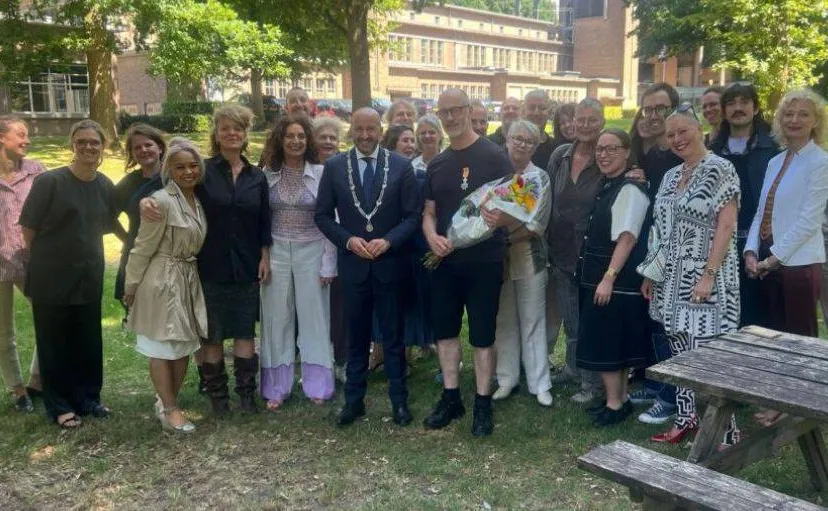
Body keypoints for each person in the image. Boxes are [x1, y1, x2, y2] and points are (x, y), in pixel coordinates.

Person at [141, 104, 271, 415]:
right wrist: (145, 200)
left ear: (245, 134)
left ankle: (246, 395)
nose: (232, 133)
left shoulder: (257, 176)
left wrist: (265, 255)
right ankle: (218, 399)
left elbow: (264, 220)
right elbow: (167, 187)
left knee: (243, 331)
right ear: (216, 133)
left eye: (238, 128)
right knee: (211, 334)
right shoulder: (202, 170)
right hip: (208, 265)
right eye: (226, 127)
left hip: (246, 264)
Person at [639, 107, 741, 445]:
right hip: (671, 279)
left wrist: (709, 274)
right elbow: (660, 229)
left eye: (684, 131)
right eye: (671, 135)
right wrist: (652, 273)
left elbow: (726, 226)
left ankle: (727, 431)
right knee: (680, 351)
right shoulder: (670, 176)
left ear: (700, 130)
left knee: (709, 356)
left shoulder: (720, 169)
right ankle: (687, 418)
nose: (677, 139)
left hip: (705, 277)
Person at [315, 107, 420, 427]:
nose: (364, 135)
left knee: (392, 336)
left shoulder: (401, 167)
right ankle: (354, 401)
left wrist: (388, 241)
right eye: (359, 129)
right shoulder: (335, 166)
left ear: (380, 129)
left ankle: (399, 401)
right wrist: (347, 241)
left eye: (371, 129)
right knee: (356, 335)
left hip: (389, 264)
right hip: (354, 264)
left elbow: (413, 216)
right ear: (352, 130)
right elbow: (321, 215)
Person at [422, 88, 513, 437]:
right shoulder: (438, 163)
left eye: (456, 110)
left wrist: (499, 219)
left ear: (470, 110)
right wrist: (431, 236)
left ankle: (482, 403)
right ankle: (451, 397)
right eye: (444, 112)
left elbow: (515, 208)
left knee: (481, 335)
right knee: (445, 332)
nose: (450, 117)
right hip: (445, 262)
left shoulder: (495, 157)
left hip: (484, 261)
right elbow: (428, 213)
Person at [20, 119, 116, 429]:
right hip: (52, 274)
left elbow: (109, 223)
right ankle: (59, 404)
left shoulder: (103, 184)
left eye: (95, 142)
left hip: (88, 272)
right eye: (82, 141)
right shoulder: (51, 182)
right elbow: (29, 229)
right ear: (72, 145)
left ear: (103, 146)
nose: (89, 146)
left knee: (88, 340)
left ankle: (88, 398)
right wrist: (49, 259)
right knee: (54, 341)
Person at [124, 138, 206, 433]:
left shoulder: (196, 200)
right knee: (161, 346)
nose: (188, 171)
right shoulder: (160, 201)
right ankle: (171, 410)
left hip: (186, 279)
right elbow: (142, 247)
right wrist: (131, 287)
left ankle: (168, 401)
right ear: (169, 169)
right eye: (180, 166)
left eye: (193, 165)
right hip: (161, 281)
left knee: (182, 345)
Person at [259, 114, 336, 409]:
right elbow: (260, 220)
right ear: (280, 139)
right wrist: (264, 255)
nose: (296, 141)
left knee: (315, 316)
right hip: (276, 250)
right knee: (277, 317)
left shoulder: (321, 173)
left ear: (309, 140)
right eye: (290, 136)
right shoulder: (267, 174)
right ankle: (276, 387)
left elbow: (330, 218)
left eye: (301, 136)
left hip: (313, 249)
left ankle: (318, 383)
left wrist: (329, 263)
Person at [576, 128, 651, 427]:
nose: (604, 155)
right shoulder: (614, 184)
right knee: (615, 346)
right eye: (600, 149)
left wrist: (608, 277)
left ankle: (614, 403)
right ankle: (617, 399)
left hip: (614, 280)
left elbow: (627, 238)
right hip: (605, 277)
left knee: (607, 343)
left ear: (626, 152)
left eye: (611, 149)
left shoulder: (630, 189)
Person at [744, 89, 828, 336]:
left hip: (799, 267)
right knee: (774, 338)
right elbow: (761, 212)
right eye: (789, 114)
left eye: (803, 114)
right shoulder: (775, 161)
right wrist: (750, 251)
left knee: (800, 342)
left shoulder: (820, 162)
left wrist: (771, 260)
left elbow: (809, 221)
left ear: (816, 122)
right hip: (768, 264)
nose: (794, 120)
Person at [628, 83, 683, 426]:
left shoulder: (681, 152)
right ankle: (653, 380)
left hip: (675, 250)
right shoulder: (645, 153)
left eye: (661, 108)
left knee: (667, 325)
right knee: (651, 318)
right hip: (646, 245)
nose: (653, 115)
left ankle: (671, 395)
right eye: (648, 109)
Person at [545, 98, 606, 404]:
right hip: (560, 251)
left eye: (591, 120)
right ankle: (572, 367)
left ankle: (591, 383)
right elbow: (546, 197)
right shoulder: (560, 155)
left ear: (602, 122)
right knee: (570, 317)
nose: (584, 126)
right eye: (580, 120)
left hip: (592, 253)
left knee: (587, 321)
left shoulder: (606, 157)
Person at [491, 120, 553, 407]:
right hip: (499, 261)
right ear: (507, 138)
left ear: (536, 146)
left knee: (533, 319)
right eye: (518, 138)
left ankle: (539, 384)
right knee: (504, 320)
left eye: (529, 141)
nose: (522, 144)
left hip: (529, 258)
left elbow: (536, 224)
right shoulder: (496, 174)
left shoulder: (539, 178)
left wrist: (503, 238)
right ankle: (506, 379)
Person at [709, 83, 779, 328]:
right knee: (725, 314)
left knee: (760, 318)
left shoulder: (773, 147)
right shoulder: (713, 152)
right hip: (721, 243)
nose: (738, 108)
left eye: (744, 102)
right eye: (731, 103)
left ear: (756, 107)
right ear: (724, 111)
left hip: (763, 243)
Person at [0, 116, 44, 412]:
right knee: (3, 331)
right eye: (20, 134)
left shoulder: (37, 171)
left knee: (50, 318)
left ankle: (36, 380)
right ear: (2, 138)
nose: (26, 140)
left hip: (33, 261)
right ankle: (18, 391)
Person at [113, 124, 166, 319]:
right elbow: (109, 217)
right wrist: (127, 238)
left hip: (170, 258)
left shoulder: (175, 177)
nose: (143, 150)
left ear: (160, 147)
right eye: (137, 148)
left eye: (148, 145)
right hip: (139, 258)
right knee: (146, 321)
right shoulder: (128, 184)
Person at [313, 116, 348, 382]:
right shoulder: (307, 170)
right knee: (315, 310)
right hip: (309, 248)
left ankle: (342, 361)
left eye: (332, 138)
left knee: (340, 309)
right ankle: (318, 362)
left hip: (340, 245)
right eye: (322, 137)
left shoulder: (343, 168)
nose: (327, 142)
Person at [406, 115, 443, 360]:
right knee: (416, 293)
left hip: (443, 237)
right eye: (423, 133)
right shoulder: (411, 166)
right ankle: (420, 342)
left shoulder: (450, 162)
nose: (428, 136)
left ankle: (442, 347)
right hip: (416, 239)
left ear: (440, 135)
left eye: (432, 132)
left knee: (439, 295)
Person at [523, 89, 555, 169]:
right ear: (523, 112)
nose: (536, 113)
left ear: (550, 112)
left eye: (542, 108)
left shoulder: (556, 149)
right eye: (531, 107)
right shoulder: (513, 147)